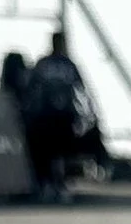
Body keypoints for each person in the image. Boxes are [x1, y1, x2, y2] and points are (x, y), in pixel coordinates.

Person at [19, 32, 88, 201]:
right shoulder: (66, 65)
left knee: (53, 152)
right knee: (55, 153)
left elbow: (31, 86)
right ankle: (54, 184)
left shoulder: (46, 64)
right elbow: (80, 88)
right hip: (56, 115)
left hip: (54, 115)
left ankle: (52, 184)